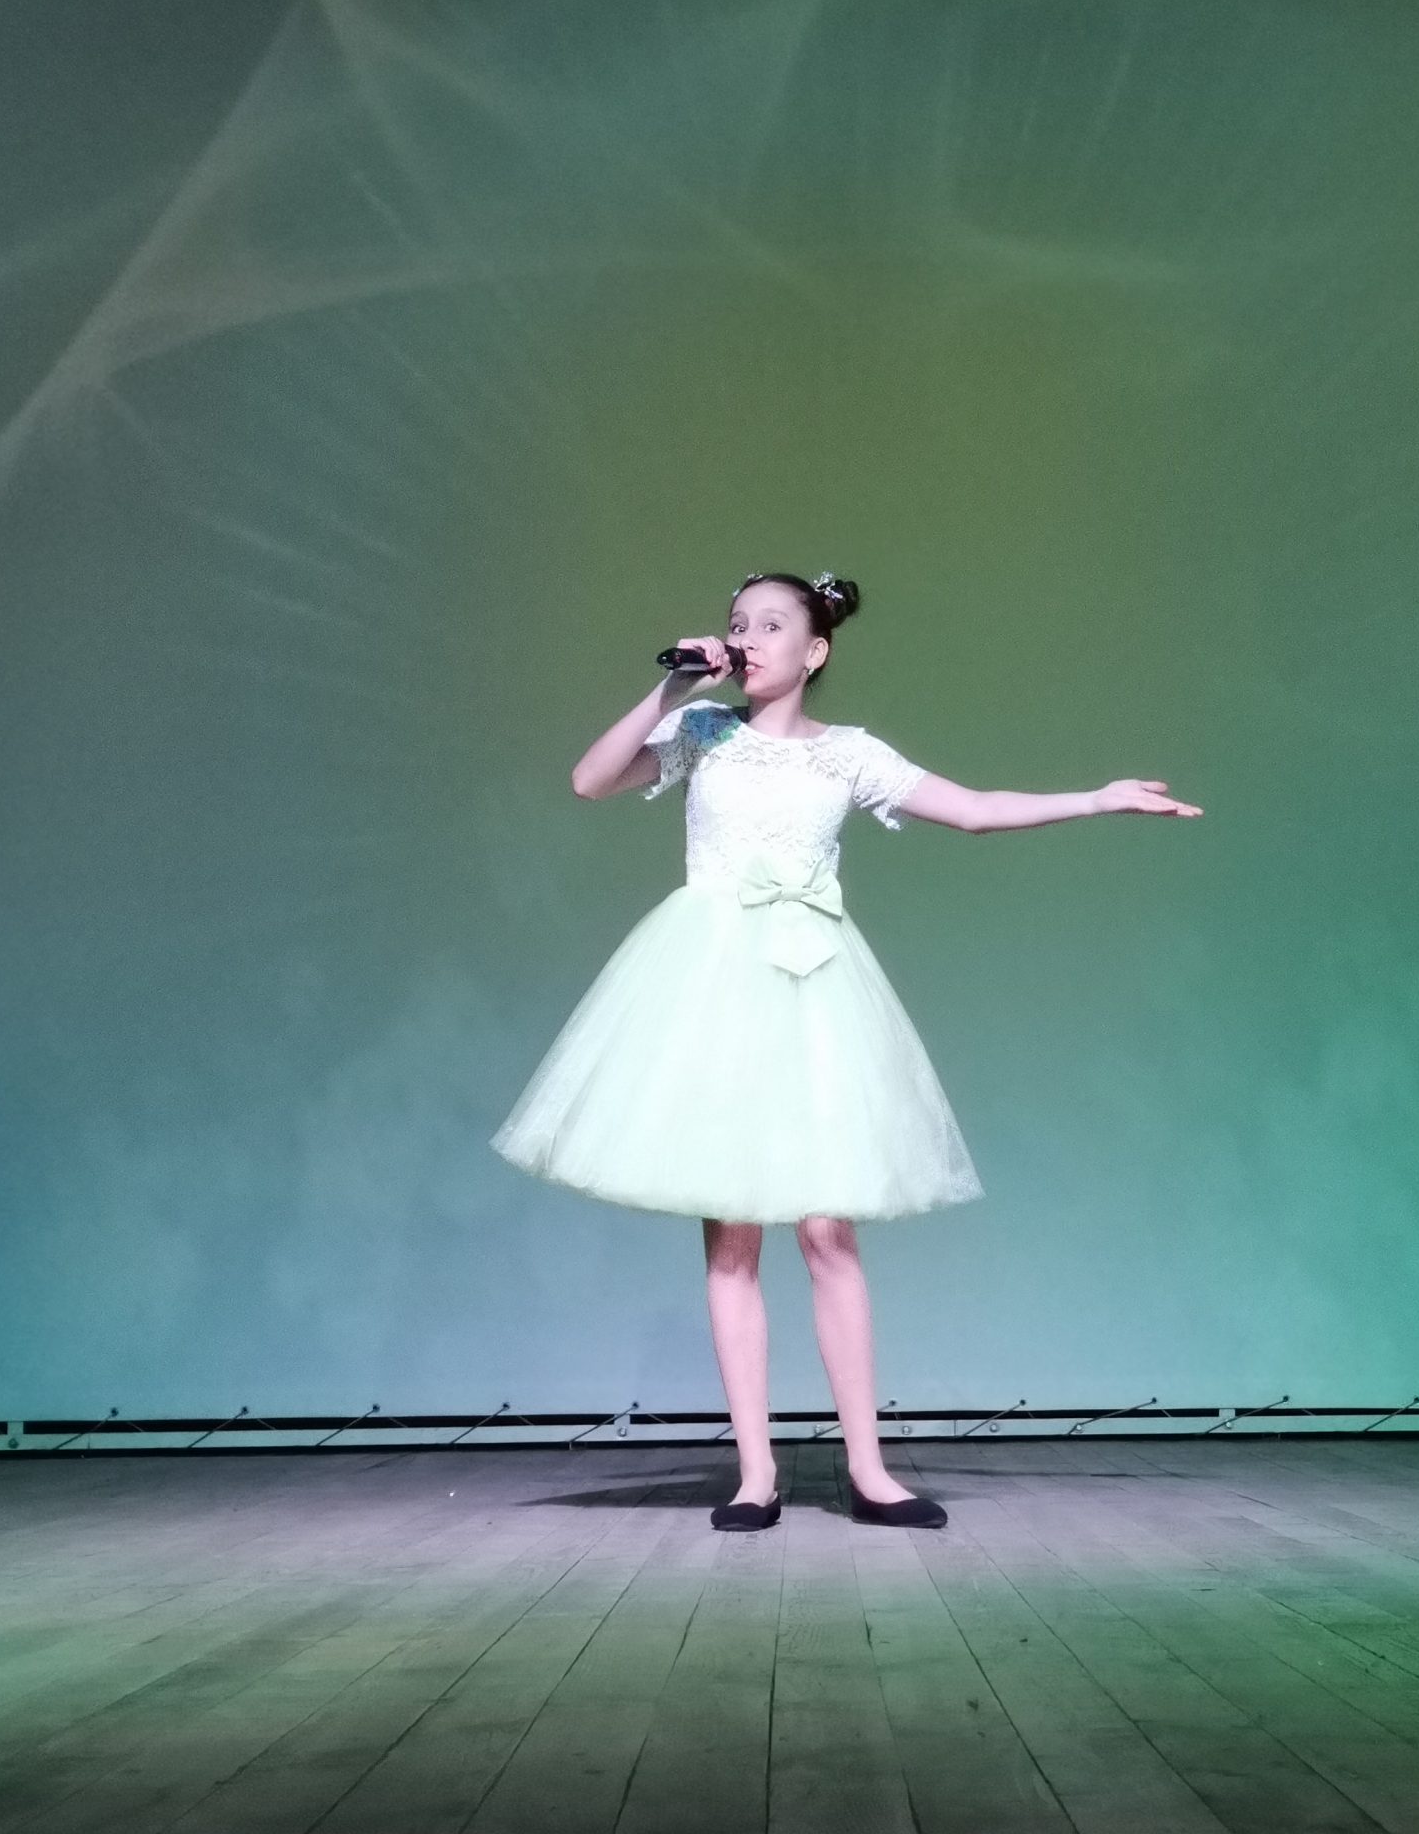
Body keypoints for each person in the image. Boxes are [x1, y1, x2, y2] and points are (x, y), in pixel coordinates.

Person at [490, 571, 1201, 1531]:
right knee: (732, 1233)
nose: (748, 639)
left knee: (828, 1232)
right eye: (738, 624)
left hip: (814, 990)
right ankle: (755, 1473)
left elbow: (974, 808)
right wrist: (675, 685)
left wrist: (1098, 798)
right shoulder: (703, 731)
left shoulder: (848, 754)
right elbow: (589, 779)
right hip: (711, 992)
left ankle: (869, 1469)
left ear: (814, 649)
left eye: (770, 625)